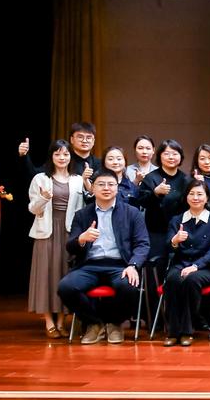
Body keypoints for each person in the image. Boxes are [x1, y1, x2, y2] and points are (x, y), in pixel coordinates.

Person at [59, 170, 149, 345]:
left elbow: (143, 244)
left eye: (111, 184)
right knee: (66, 287)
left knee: (129, 287)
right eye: (101, 184)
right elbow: (70, 246)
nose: (106, 188)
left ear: (117, 188)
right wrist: (81, 239)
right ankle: (94, 323)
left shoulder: (132, 213)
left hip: (120, 265)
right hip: (90, 265)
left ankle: (114, 323)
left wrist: (133, 265)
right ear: (92, 188)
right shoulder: (82, 215)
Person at [27, 140, 85, 338]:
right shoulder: (40, 178)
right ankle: (49, 322)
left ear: (71, 157)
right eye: (57, 154)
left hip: (69, 233)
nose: (62, 158)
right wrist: (44, 197)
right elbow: (33, 209)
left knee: (64, 274)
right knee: (45, 275)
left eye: (66, 154)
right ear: (51, 157)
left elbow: (82, 209)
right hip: (46, 232)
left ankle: (61, 321)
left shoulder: (78, 180)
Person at [162, 181, 210, 346]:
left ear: (207, 198)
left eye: (200, 194)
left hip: (206, 267)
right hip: (180, 264)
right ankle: (172, 332)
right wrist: (175, 241)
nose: (195, 198)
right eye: (192, 194)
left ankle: (186, 331)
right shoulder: (177, 220)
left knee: (191, 280)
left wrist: (196, 266)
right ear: (186, 197)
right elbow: (168, 246)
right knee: (173, 280)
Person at [134, 139, 190, 263]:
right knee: (157, 264)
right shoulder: (151, 178)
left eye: (175, 154)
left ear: (181, 156)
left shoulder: (186, 179)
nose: (171, 157)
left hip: (180, 230)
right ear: (159, 156)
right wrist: (155, 193)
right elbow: (142, 201)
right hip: (156, 232)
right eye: (166, 154)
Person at [18, 121, 100, 182]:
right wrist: (24, 156)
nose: (84, 141)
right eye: (80, 137)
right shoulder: (62, 159)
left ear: (93, 141)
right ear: (72, 139)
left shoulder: (99, 164)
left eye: (89, 138)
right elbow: (34, 175)